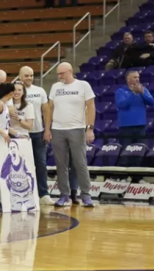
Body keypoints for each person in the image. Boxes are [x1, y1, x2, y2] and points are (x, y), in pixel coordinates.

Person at [47, 62, 96, 208]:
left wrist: (90, 128)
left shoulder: (83, 85)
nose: (59, 76)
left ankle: (86, 195)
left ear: (69, 71)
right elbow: (49, 109)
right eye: (58, 74)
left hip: (77, 128)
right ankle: (64, 195)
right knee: (60, 164)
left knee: (80, 163)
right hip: (57, 129)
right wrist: (47, 129)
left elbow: (91, 107)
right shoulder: (55, 87)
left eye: (61, 73)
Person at [18, 66, 53, 205]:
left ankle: (43, 194)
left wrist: (47, 130)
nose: (29, 78)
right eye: (26, 75)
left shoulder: (40, 91)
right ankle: (23, 194)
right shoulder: (15, 91)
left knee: (41, 164)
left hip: (38, 132)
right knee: (21, 166)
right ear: (20, 76)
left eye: (31, 75)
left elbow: (46, 111)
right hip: (20, 135)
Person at [115, 70, 154, 148]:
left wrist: (142, 93)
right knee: (125, 152)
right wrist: (133, 93)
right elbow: (122, 105)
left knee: (142, 150)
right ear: (128, 79)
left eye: (138, 77)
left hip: (140, 126)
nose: (137, 79)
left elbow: (152, 102)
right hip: (125, 127)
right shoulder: (120, 91)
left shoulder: (143, 90)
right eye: (135, 77)